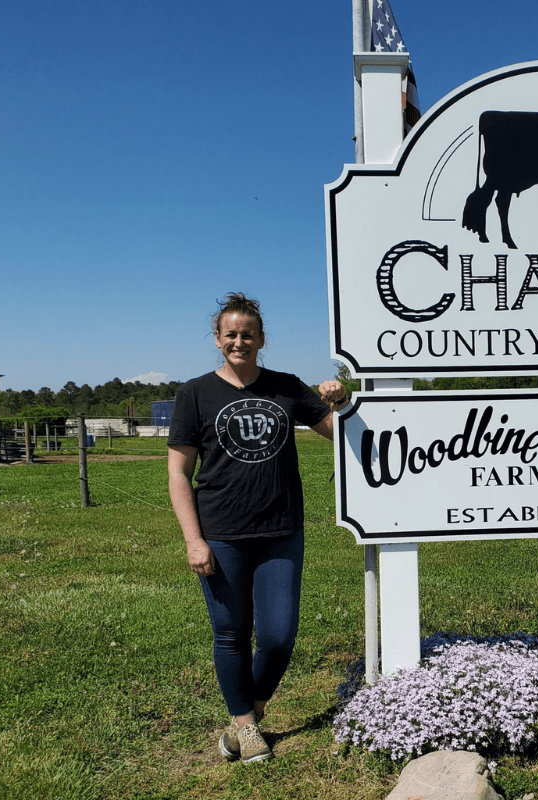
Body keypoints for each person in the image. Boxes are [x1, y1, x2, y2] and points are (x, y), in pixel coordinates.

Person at [166, 292, 346, 763]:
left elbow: (339, 432)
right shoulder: (196, 393)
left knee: (278, 636)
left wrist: (341, 398)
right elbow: (178, 472)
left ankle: (253, 710)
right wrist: (193, 539)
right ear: (218, 338)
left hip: (281, 530)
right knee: (230, 632)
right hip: (221, 534)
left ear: (261, 338)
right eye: (231, 334)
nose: (239, 341)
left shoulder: (286, 387)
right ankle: (244, 727)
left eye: (248, 334)